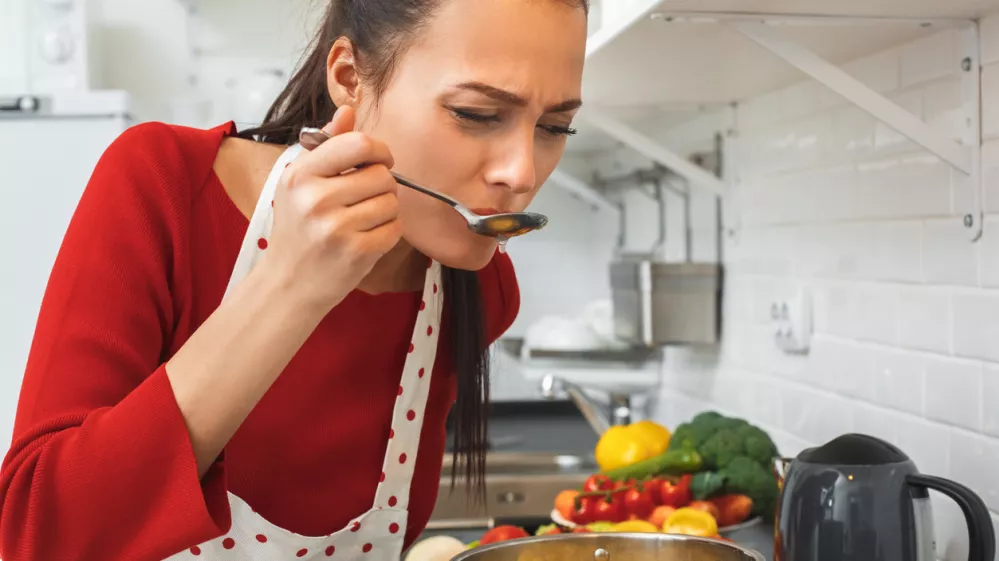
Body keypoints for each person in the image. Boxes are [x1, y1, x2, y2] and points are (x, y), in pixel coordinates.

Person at [0, 0, 587, 559]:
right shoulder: (165, 186)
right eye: (477, 115)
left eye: (555, 127)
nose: (522, 172)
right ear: (351, 77)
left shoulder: (480, 290)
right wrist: (290, 285)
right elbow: (36, 536)